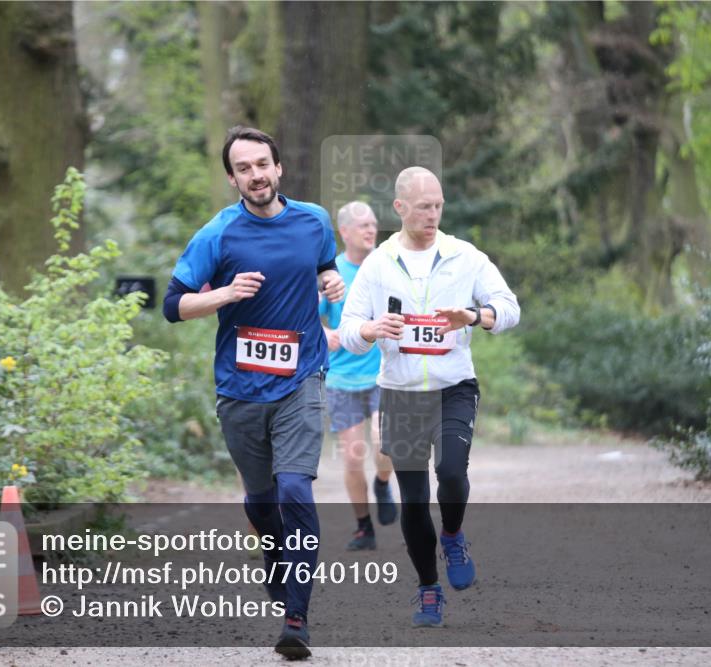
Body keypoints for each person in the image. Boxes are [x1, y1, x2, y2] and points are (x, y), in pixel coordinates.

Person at [163, 126, 344, 659]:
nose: (256, 175)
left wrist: (331, 281)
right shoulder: (219, 234)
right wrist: (224, 293)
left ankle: (297, 618)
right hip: (240, 389)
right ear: (232, 178)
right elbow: (173, 305)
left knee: (294, 489)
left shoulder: (313, 220)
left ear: (279, 167)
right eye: (244, 168)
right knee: (262, 500)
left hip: (302, 378)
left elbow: (324, 267)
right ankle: (272, 550)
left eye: (262, 164)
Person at [338, 166, 520, 628]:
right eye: (423, 207)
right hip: (400, 393)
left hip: (453, 387)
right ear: (400, 208)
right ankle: (427, 589)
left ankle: (454, 534)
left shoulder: (464, 256)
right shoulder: (378, 263)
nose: (433, 215)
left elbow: (510, 307)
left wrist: (475, 316)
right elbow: (348, 328)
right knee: (415, 499)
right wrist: (370, 328)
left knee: (452, 474)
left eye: (438, 206)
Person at [319, 201, 398, 551]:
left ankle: (383, 481)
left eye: (374, 223)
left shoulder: (388, 265)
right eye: (363, 225)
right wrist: (326, 335)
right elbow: (308, 318)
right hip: (341, 377)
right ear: (345, 232)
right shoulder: (330, 272)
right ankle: (363, 527)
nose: (371, 230)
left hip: (384, 373)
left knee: (385, 443)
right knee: (352, 455)